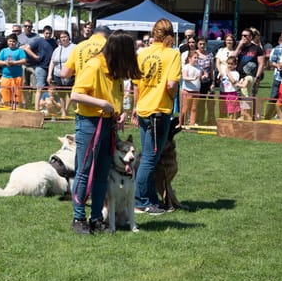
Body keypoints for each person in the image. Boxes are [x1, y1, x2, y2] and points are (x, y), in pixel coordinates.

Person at [70, 31, 141, 234]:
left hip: (107, 125)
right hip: (89, 124)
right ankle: (78, 218)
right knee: (85, 172)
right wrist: (101, 103)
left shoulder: (114, 71)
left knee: (102, 173)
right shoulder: (94, 66)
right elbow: (76, 94)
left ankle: (96, 218)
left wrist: (120, 114)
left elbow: (115, 99)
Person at [132, 18, 181, 215]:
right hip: (159, 111)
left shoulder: (142, 53)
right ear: (170, 34)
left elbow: (135, 84)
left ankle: (150, 199)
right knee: (149, 160)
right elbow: (171, 85)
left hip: (143, 109)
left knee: (147, 156)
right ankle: (139, 201)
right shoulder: (173, 54)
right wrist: (170, 97)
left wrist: (136, 107)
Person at [22, 25, 56, 111]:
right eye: (46, 33)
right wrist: (35, 56)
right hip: (41, 67)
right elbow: (27, 48)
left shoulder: (53, 41)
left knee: (51, 90)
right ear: (43, 33)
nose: (48, 35)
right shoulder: (39, 40)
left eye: (49, 33)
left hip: (51, 68)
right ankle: (37, 109)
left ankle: (50, 109)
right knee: (39, 88)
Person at [47, 30, 76, 117]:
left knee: (72, 94)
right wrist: (49, 75)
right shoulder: (57, 49)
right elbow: (52, 61)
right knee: (61, 94)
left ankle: (77, 112)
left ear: (69, 37)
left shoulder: (74, 47)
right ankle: (63, 112)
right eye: (61, 37)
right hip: (57, 75)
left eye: (65, 37)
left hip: (71, 75)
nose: (63, 39)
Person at [265, 30, 282, 121]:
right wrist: (277, 66)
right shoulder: (277, 48)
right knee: (273, 97)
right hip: (278, 77)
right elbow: (272, 62)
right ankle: (267, 117)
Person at [0, 33, 26, 107]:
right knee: (5, 96)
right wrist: (5, 63)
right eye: (10, 41)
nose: (11, 43)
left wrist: (14, 62)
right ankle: (7, 110)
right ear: (7, 41)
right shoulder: (3, 51)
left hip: (17, 77)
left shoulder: (20, 51)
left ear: (16, 42)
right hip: (5, 76)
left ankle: (16, 111)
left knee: (16, 97)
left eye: (13, 41)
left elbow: (24, 60)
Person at [233, 27, 264, 97]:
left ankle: (248, 108)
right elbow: (231, 58)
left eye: (245, 35)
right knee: (237, 99)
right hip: (238, 76)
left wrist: (257, 78)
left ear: (251, 37)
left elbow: (261, 64)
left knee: (248, 97)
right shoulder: (239, 47)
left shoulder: (257, 48)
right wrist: (239, 46)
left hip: (250, 77)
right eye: (242, 35)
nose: (243, 37)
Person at [195, 37, 215, 125]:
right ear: (197, 44)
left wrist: (213, 82)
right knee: (199, 103)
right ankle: (198, 120)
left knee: (210, 103)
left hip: (208, 82)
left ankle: (210, 120)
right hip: (198, 82)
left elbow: (212, 69)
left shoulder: (210, 54)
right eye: (200, 44)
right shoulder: (194, 54)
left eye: (204, 44)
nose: (202, 45)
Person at [180, 50, 201, 126]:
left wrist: (204, 76)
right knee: (185, 108)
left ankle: (192, 124)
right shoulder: (186, 67)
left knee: (194, 109)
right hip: (187, 91)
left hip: (196, 91)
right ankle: (181, 123)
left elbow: (200, 77)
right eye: (195, 58)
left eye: (197, 58)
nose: (196, 59)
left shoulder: (198, 67)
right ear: (189, 58)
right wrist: (193, 78)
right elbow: (184, 77)